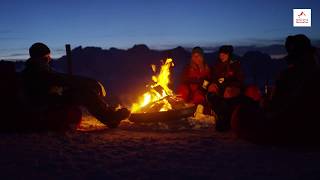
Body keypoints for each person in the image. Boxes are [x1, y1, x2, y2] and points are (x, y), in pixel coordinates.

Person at [232, 34, 320, 145]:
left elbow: (278, 106)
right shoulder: (314, 72)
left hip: (290, 128)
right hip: (309, 127)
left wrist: (265, 104)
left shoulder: (290, 75)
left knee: (242, 111)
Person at [20, 42, 130, 131]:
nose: (49, 59)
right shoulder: (35, 71)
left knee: (80, 90)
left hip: (49, 101)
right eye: (47, 57)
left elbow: (59, 80)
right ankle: (109, 118)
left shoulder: (38, 69)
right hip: (45, 106)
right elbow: (61, 79)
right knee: (84, 93)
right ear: (41, 58)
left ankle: (108, 113)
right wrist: (91, 82)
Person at [207, 45, 245, 131]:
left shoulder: (235, 65)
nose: (222, 56)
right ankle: (218, 115)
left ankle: (227, 119)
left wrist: (227, 83)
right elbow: (212, 78)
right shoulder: (217, 65)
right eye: (220, 54)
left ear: (229, 55)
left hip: (233, 88)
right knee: (211, 90)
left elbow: (240, 80)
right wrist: (213, 84)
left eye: (224, 54)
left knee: (228, 92)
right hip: (221, 87)